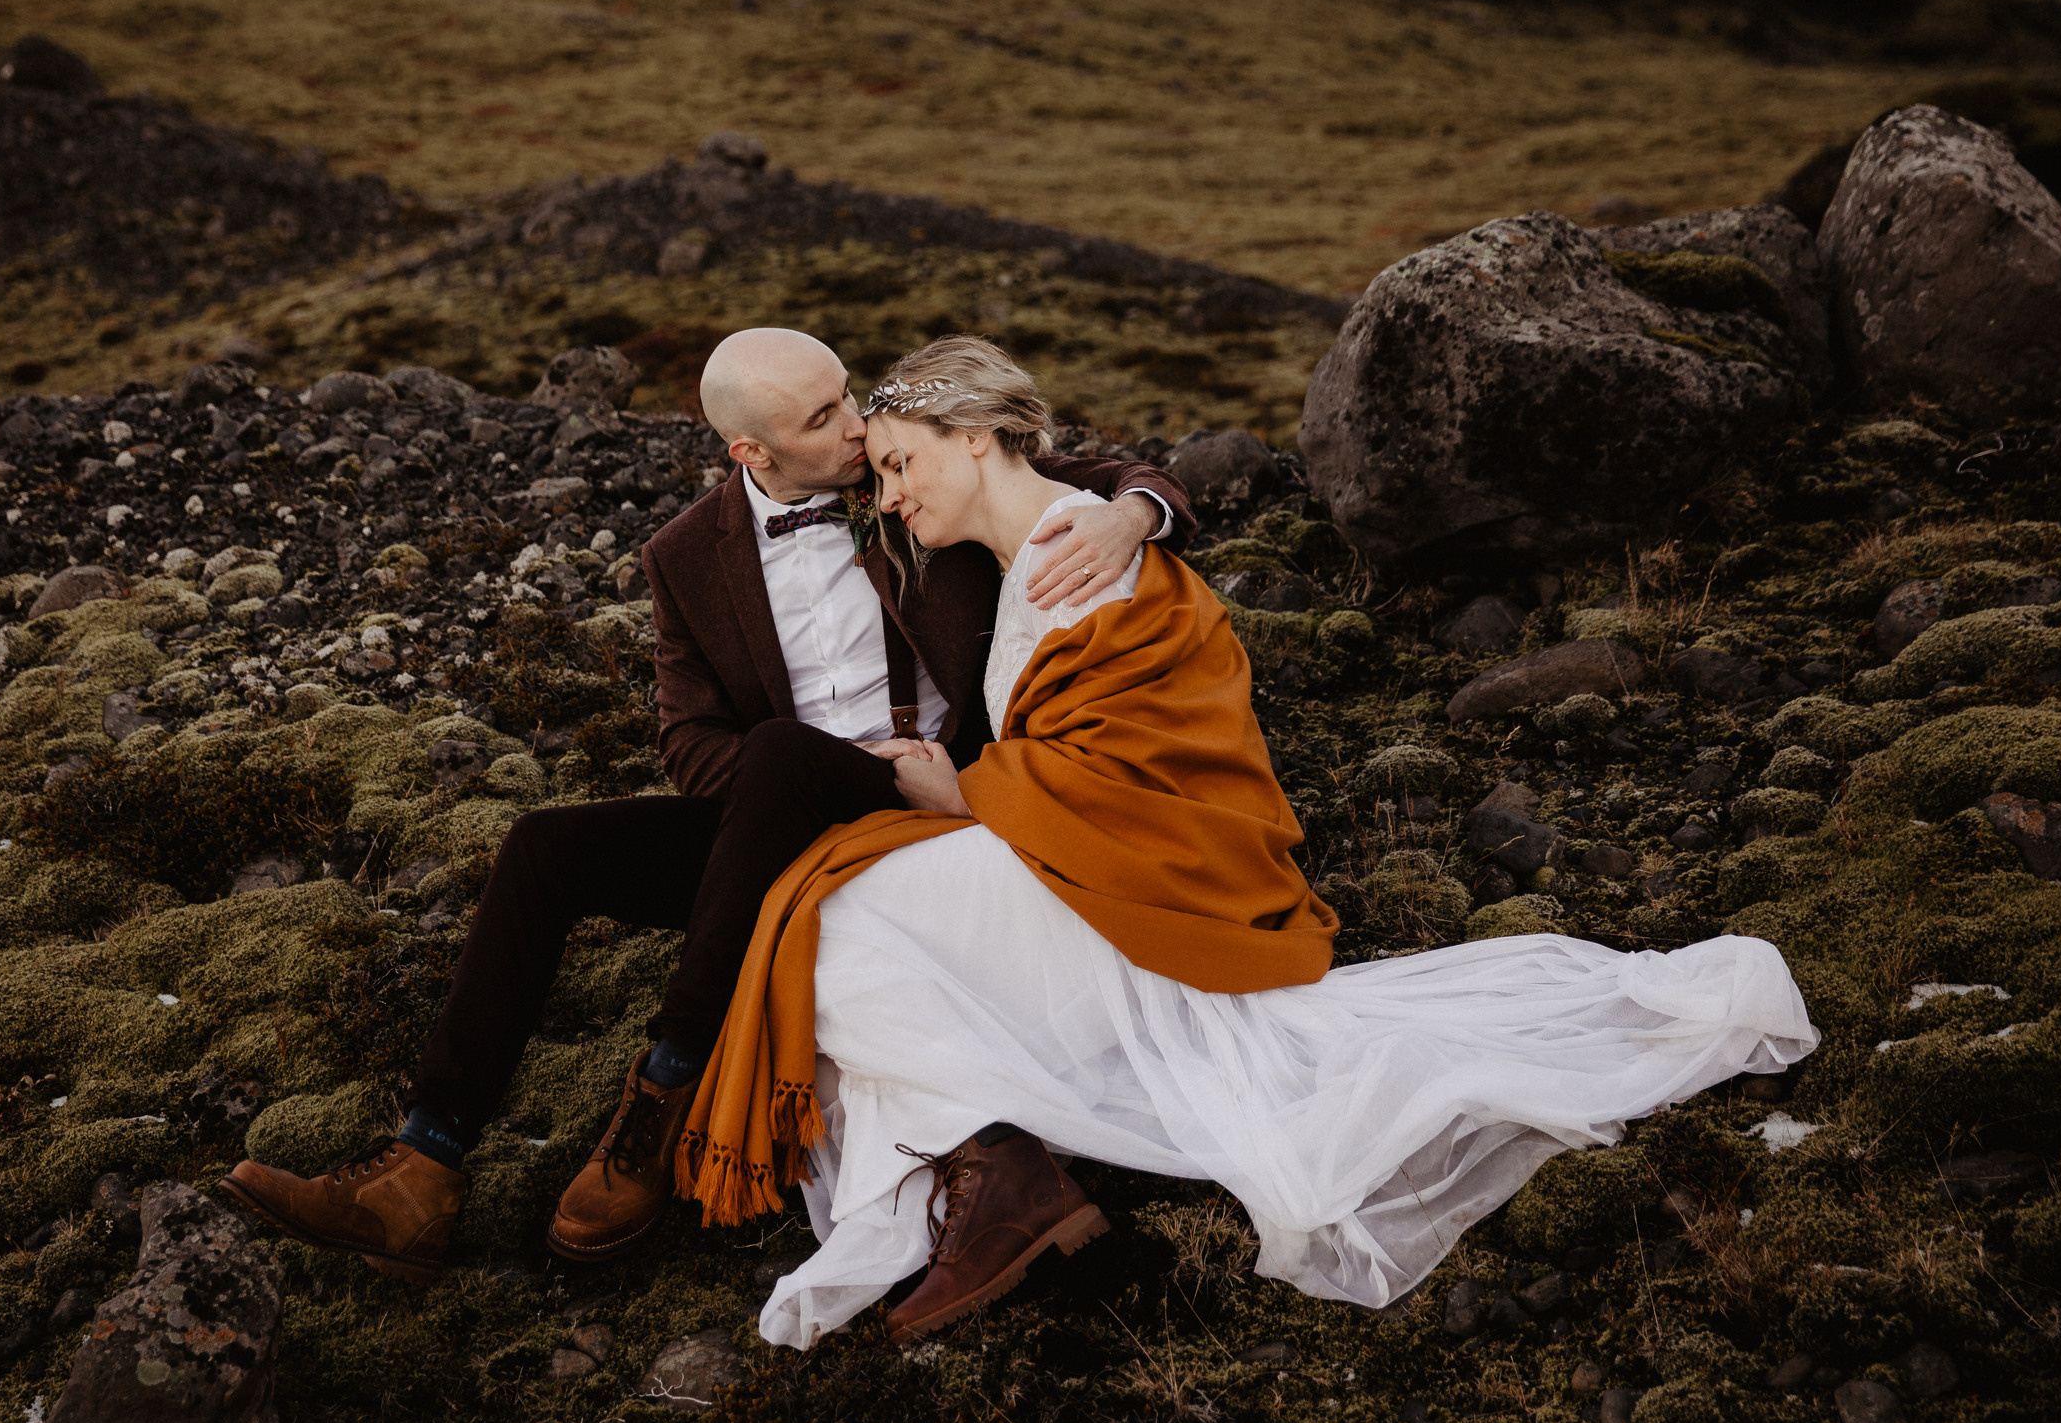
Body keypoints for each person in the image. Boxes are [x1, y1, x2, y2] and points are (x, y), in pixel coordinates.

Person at [675, 335, 1820, 1350]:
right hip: (1072, 851)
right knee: (838, 915)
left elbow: (1137, 767)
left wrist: (965, 795)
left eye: (897, 464)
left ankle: (976, 1168)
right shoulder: (1036, 548)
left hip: (1135, 879)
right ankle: (985, 1165)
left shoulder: (1082, 552)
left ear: (971, 438)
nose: (885, 494)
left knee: (839, 927)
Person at [213, 328, 1194, 1281]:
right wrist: (789, 785)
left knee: (774, 754)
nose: (856, 427)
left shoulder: (908, 476)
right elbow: (688, 743)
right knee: (544, 846)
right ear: (750, 452)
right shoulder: (684, 555)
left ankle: (661, 1095)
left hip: (930, 795)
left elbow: (1086, 473)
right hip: (781, 806)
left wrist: (1133, 516)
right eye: (822, 417)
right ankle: (421, 1168)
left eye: (846, 394)